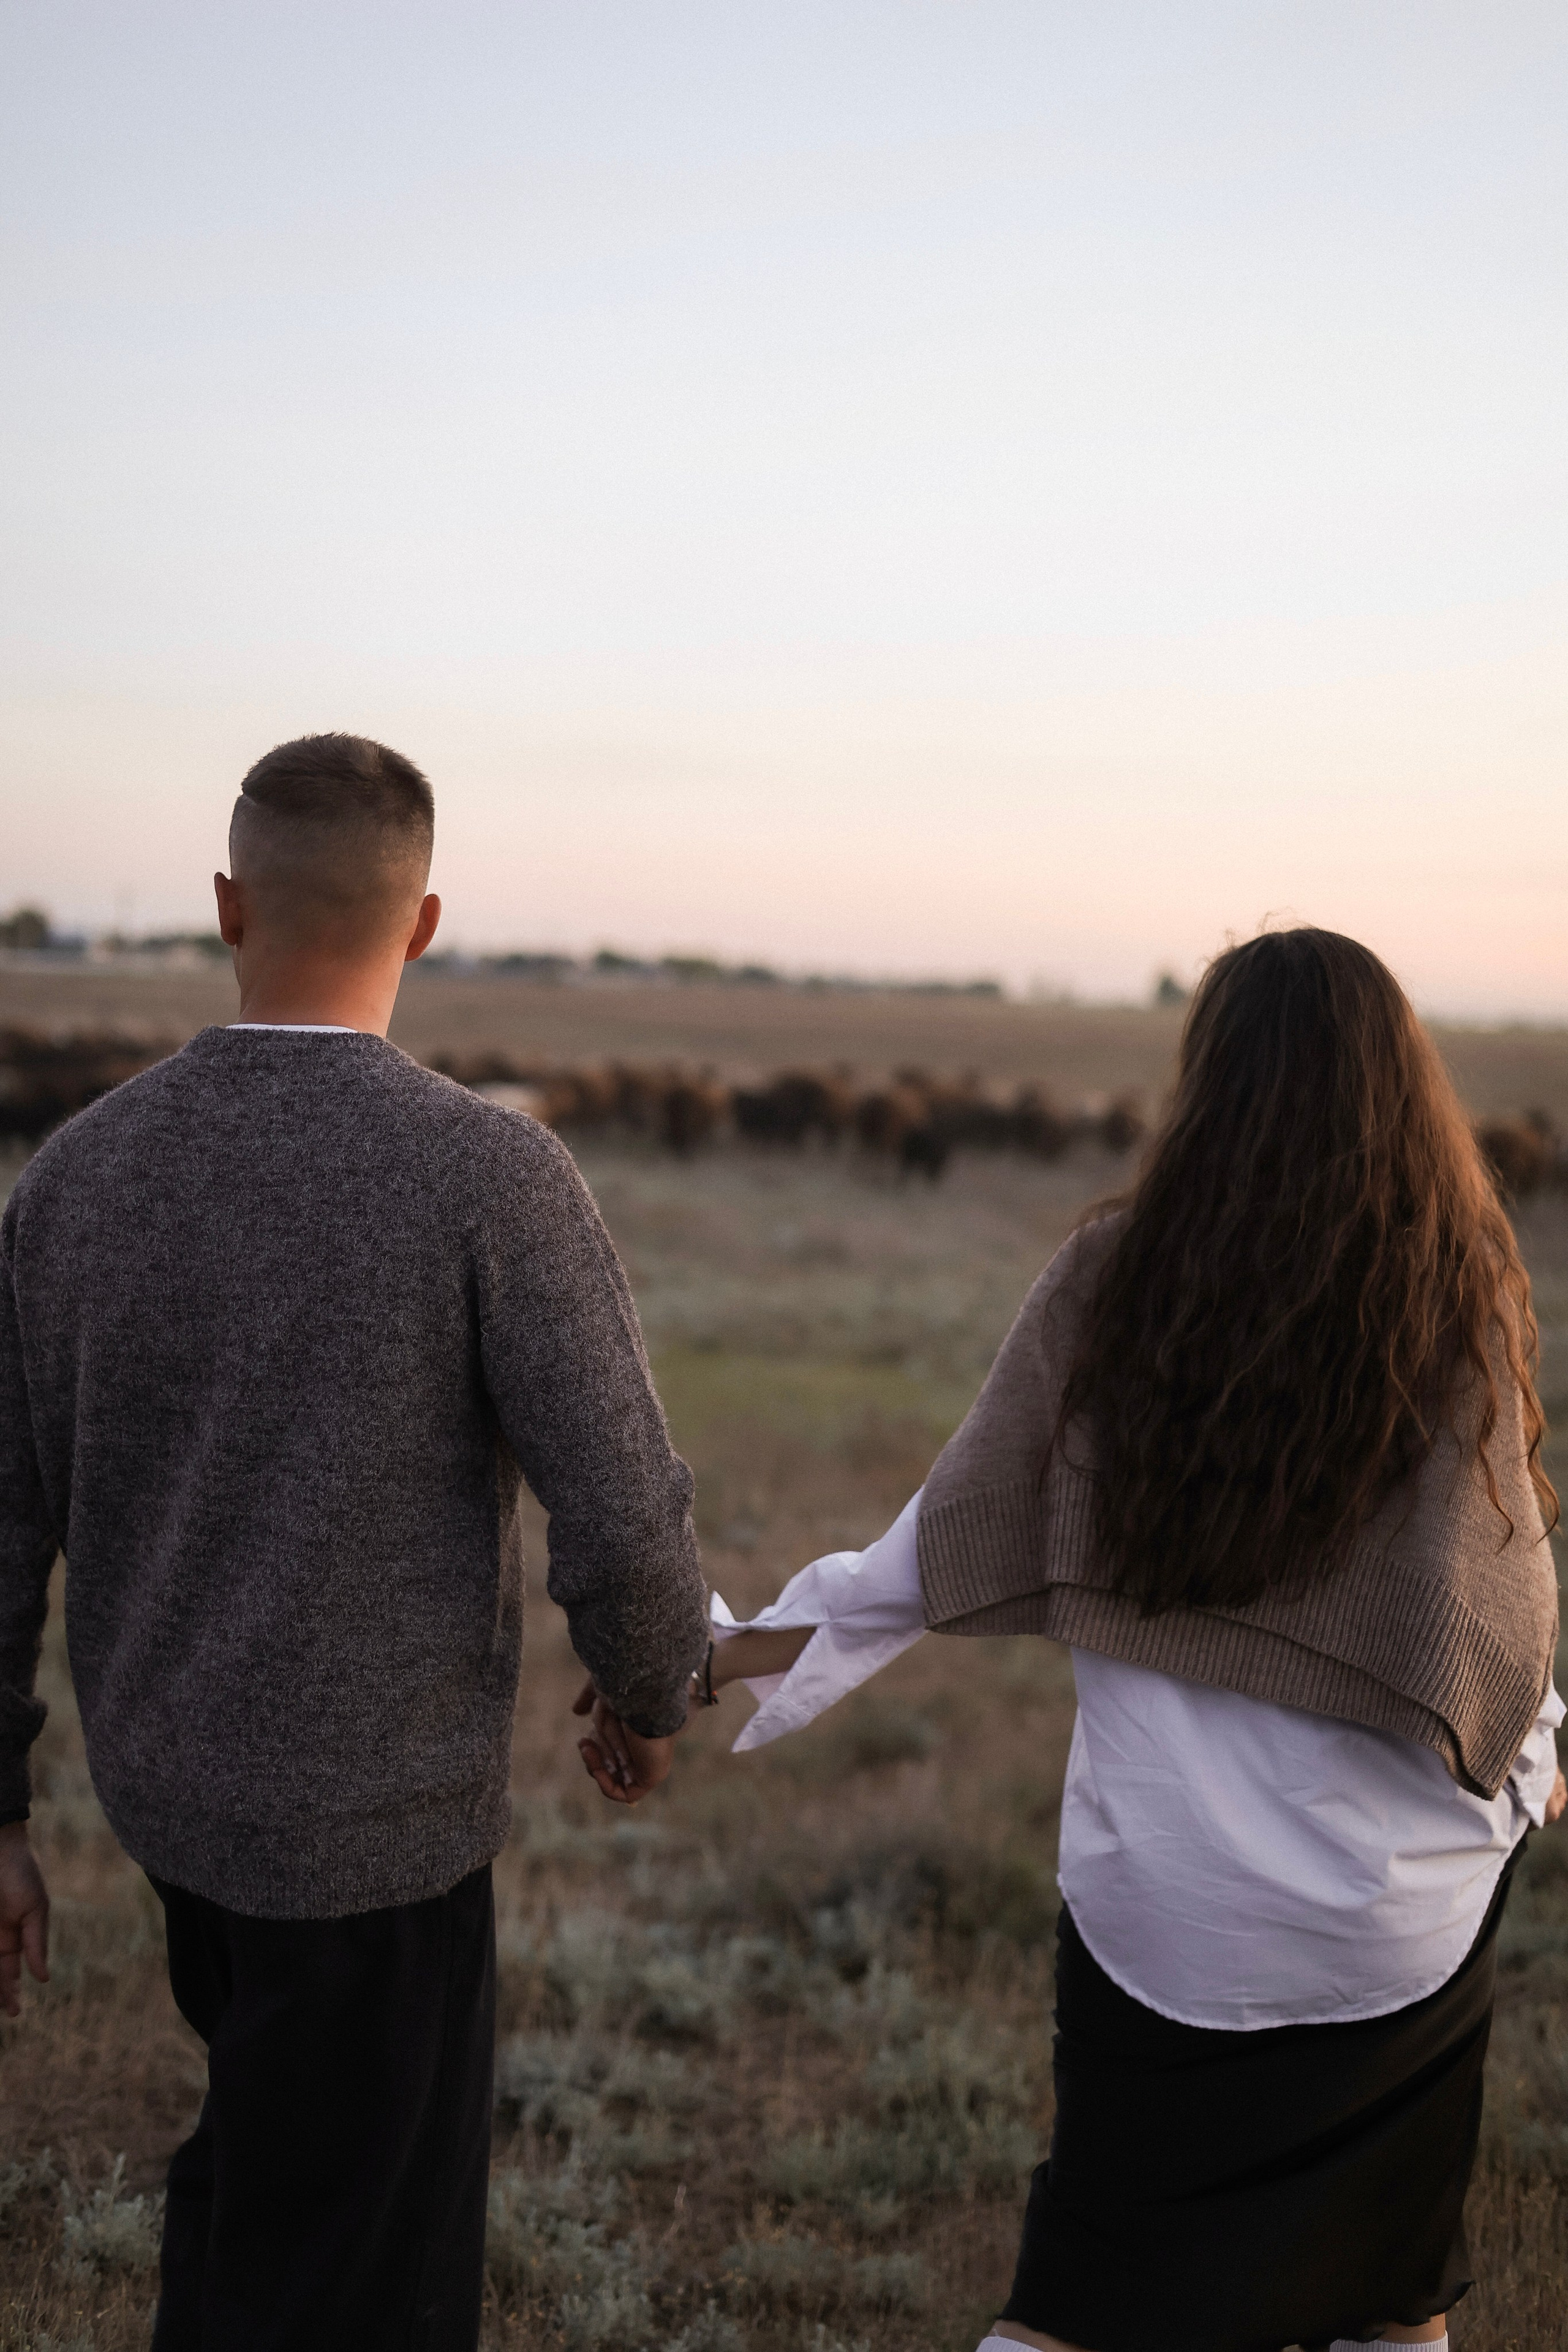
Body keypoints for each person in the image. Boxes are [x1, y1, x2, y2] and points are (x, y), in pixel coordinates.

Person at [578, 928, 1565, 2352]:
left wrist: (694, 1659)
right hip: (1385, 1924)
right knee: (1391, 2301)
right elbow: (1501, 1614)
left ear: (1205, 1077)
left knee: (1084, 2303)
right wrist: (1532, 1767)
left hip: (1163, 1910)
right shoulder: (1448, 1286)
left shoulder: (1112, 1276)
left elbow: (925, 1557)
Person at [0, 733, 709, 2350]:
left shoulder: (77, 1179)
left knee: (269, 2174)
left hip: (177, 1814)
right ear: (429, 921)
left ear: (228, 905)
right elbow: (620, 1499)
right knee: (360, 2273)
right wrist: (650, 1692)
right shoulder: (492, 1177)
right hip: (378, 1840)